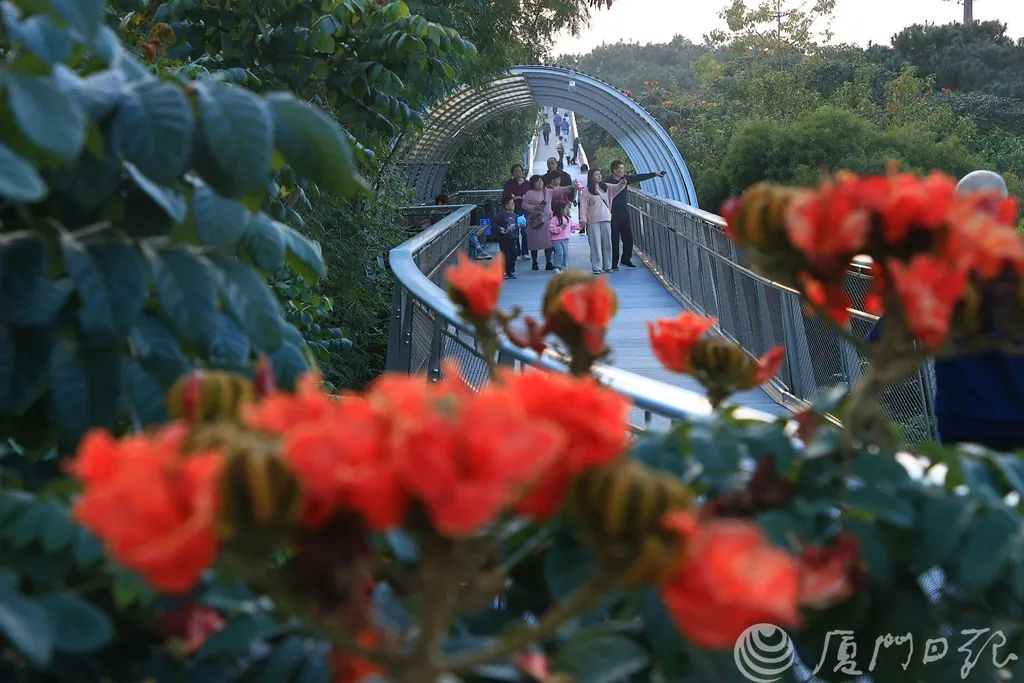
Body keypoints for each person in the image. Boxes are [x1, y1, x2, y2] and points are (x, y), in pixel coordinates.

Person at [868, 170, 1024, 450]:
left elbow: (880, 340)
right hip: (1018, 419)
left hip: (963, 419)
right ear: (1006, 208)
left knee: (967, 492)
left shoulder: (937, 269)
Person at [608, 160, 667, 269]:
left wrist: (654, 174)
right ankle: (613, 263)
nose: (622, 171)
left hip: (624, 213)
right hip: (613, 214)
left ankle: (626, 259)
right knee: (614, 239)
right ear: (614, 170)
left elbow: (638, 177)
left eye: (622, 168)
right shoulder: (608, 181)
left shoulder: (625, 179)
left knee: (628, 238)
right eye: (620, 169)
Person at [578, 168, 627, 275]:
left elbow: (617, 187)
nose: (599, 176)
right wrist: (583, 220)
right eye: (596, 175)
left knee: (607, 243)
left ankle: (607, 265)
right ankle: (597, 266)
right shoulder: (586, 191)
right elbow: (583, 207)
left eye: (600, 174)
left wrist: (622, 183)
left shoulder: (605, 187)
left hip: (606, 219)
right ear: (591, 177)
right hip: (593, 220)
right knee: (595, 244)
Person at [521, 174, 574, 271]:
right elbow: (524, 205)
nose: (540, 183)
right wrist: (534, 208)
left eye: (541, 181)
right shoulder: (529, 193)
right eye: (537, 181)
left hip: (547, 221)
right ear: (533, 184)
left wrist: (570, 187)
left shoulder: (548, 191)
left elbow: (558, 190)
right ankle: (534, 262)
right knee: (534, 243)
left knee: (548, 243)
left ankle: (548, 262)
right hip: (535, 221)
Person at [438, 192, 491, 260]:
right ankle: (479, 251)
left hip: (450, 230)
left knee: (471, 231)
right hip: (446, 234)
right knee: (469, 233)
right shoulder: (435, 212)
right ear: (440, 203)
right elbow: (442, 226)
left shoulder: (441, 211)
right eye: (444, 203)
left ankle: (478, 251)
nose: (446, 205)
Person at [547, 201, 578, 273]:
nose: (567, 211)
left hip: (565, 239)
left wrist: (580, 226)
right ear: (561, 210)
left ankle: (563, 267)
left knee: (565, 253)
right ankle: (556, 267)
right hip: (556, 240)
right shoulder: (554, 219)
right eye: (566, 209)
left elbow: (574, 225)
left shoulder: (567, 219)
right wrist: (560, 228)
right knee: (559, 252)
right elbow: (551, 229)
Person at [493, 196, 519, 279]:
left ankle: (510, 270)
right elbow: (494, 225)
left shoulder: (516, 215)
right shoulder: (500, 216)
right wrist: (500, 229)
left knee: (514, 255)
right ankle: (504, 271)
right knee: (506, 255)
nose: (514, 205)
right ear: (506, 206)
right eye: (512, 204)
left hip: (513, 238)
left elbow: (521, 224)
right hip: (504, 239)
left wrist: (523, 224)